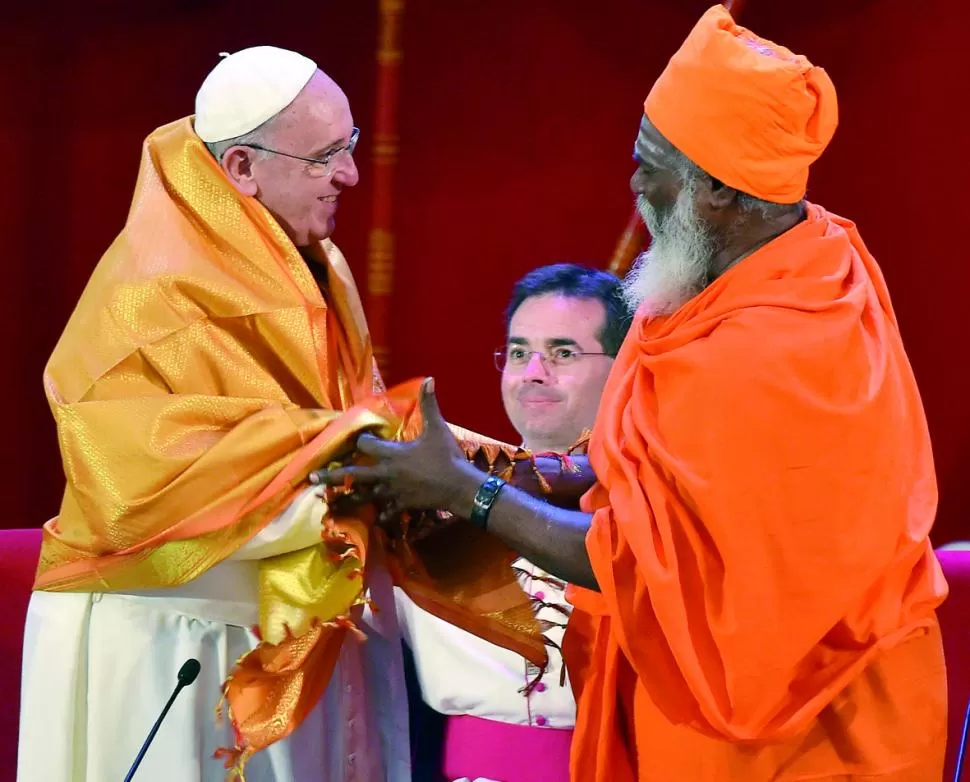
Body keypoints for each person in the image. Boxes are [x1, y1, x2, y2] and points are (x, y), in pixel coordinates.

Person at [314, 6, 949, 780]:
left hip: (797, 741)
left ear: (723, 191)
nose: (634, 185)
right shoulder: (818, 256)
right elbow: (668, 490)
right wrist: (519, 469)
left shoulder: (758, 354)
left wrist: (469, 492)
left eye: (654, 166)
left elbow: (643, 560)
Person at [18, 46, 411, 782]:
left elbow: (359, 414)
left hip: (294, 623)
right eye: (326, 155)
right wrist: (363, 478)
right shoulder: (152, 290)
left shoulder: (318, 263)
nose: (351, 174)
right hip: (174, 643)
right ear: (240, 169)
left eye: (350, 146)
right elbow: (141, 488)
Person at [397, 264, 631, 782]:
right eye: (520, 352)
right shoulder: (434, 500)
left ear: (625, 366)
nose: (533, 372)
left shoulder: (655, 507)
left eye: (563, 353)